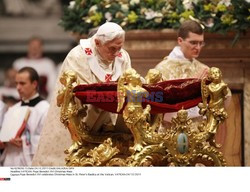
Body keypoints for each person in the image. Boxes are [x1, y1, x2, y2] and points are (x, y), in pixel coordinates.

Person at [32, 22, 131, 166]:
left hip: (111, 121)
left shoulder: (123, 56)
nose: (116, 53)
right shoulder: (78, 56)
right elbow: (79, 91)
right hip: (81, 119)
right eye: (112, 49)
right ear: (97, 42)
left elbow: (127, 81)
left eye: (119, 48)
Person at [154, 20, 210, 131]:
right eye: (193, 42)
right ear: (180, 41)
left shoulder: (203, 68)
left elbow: (223, 99)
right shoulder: (162, 69)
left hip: (199, 133)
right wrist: (193, 86)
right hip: (170, 133)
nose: (198, 47)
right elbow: (157, 107)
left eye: (201, 43)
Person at [0, 67, 49, 166]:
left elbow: (48, 139)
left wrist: (24, 141)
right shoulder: (12, 109)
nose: (18, 87)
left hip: (30, 163)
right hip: (9, 161)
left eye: (22, 83)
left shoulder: (45, 109)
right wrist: (3, 143)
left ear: (34, 84)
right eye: (16, 83)